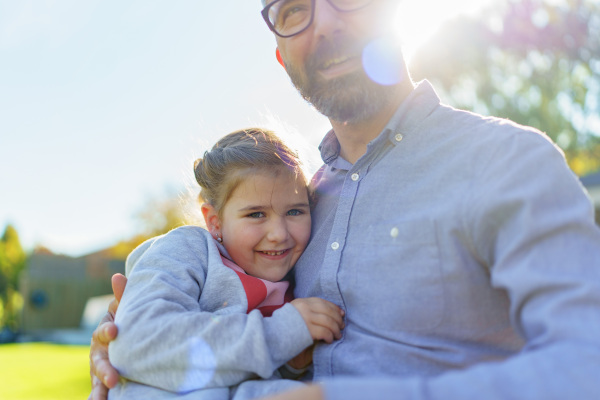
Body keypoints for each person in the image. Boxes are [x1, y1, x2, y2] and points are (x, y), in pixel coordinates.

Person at [90, 1, 600, 399]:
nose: (325, 25)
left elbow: (586, 365)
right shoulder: (303, 205)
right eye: (294, 10)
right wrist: (128, 343)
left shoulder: (508, 160)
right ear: (281, 55)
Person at [105, 128, 344, 399]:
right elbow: (138, 343)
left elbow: (235, 370)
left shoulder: (293, 279)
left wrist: (293, 363)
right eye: (256, 214)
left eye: (294, 211)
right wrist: (281, 332)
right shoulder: (187, 251)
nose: (279, 234)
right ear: (215, 222)